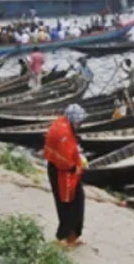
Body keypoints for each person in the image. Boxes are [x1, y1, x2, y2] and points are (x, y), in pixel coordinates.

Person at [43, 104, 88, 246]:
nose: (80, 124)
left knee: (75, 201)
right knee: (68, 204)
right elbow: (64, 160)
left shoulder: (60, 123)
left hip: (62, 169)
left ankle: (72, 235)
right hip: (62, 172)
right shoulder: (64, 133)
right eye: (79, 122)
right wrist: (76, 165)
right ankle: (62, 237)